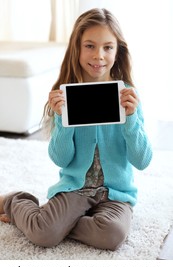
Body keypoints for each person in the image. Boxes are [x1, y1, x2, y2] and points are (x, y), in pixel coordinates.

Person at [0, 8, 152, 251]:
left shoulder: (127, 96)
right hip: (75, 188)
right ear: (77, 48)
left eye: (108, 47)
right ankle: (15, 201)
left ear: (118, 50)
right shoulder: (66, 95)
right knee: (44, 235)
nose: (99, 56)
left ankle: (55, 223)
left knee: (112, 235)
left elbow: (142, 161)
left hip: (115, 194)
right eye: (90, 46)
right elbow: (60, 158)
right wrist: (61, 120)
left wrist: (131, 120)